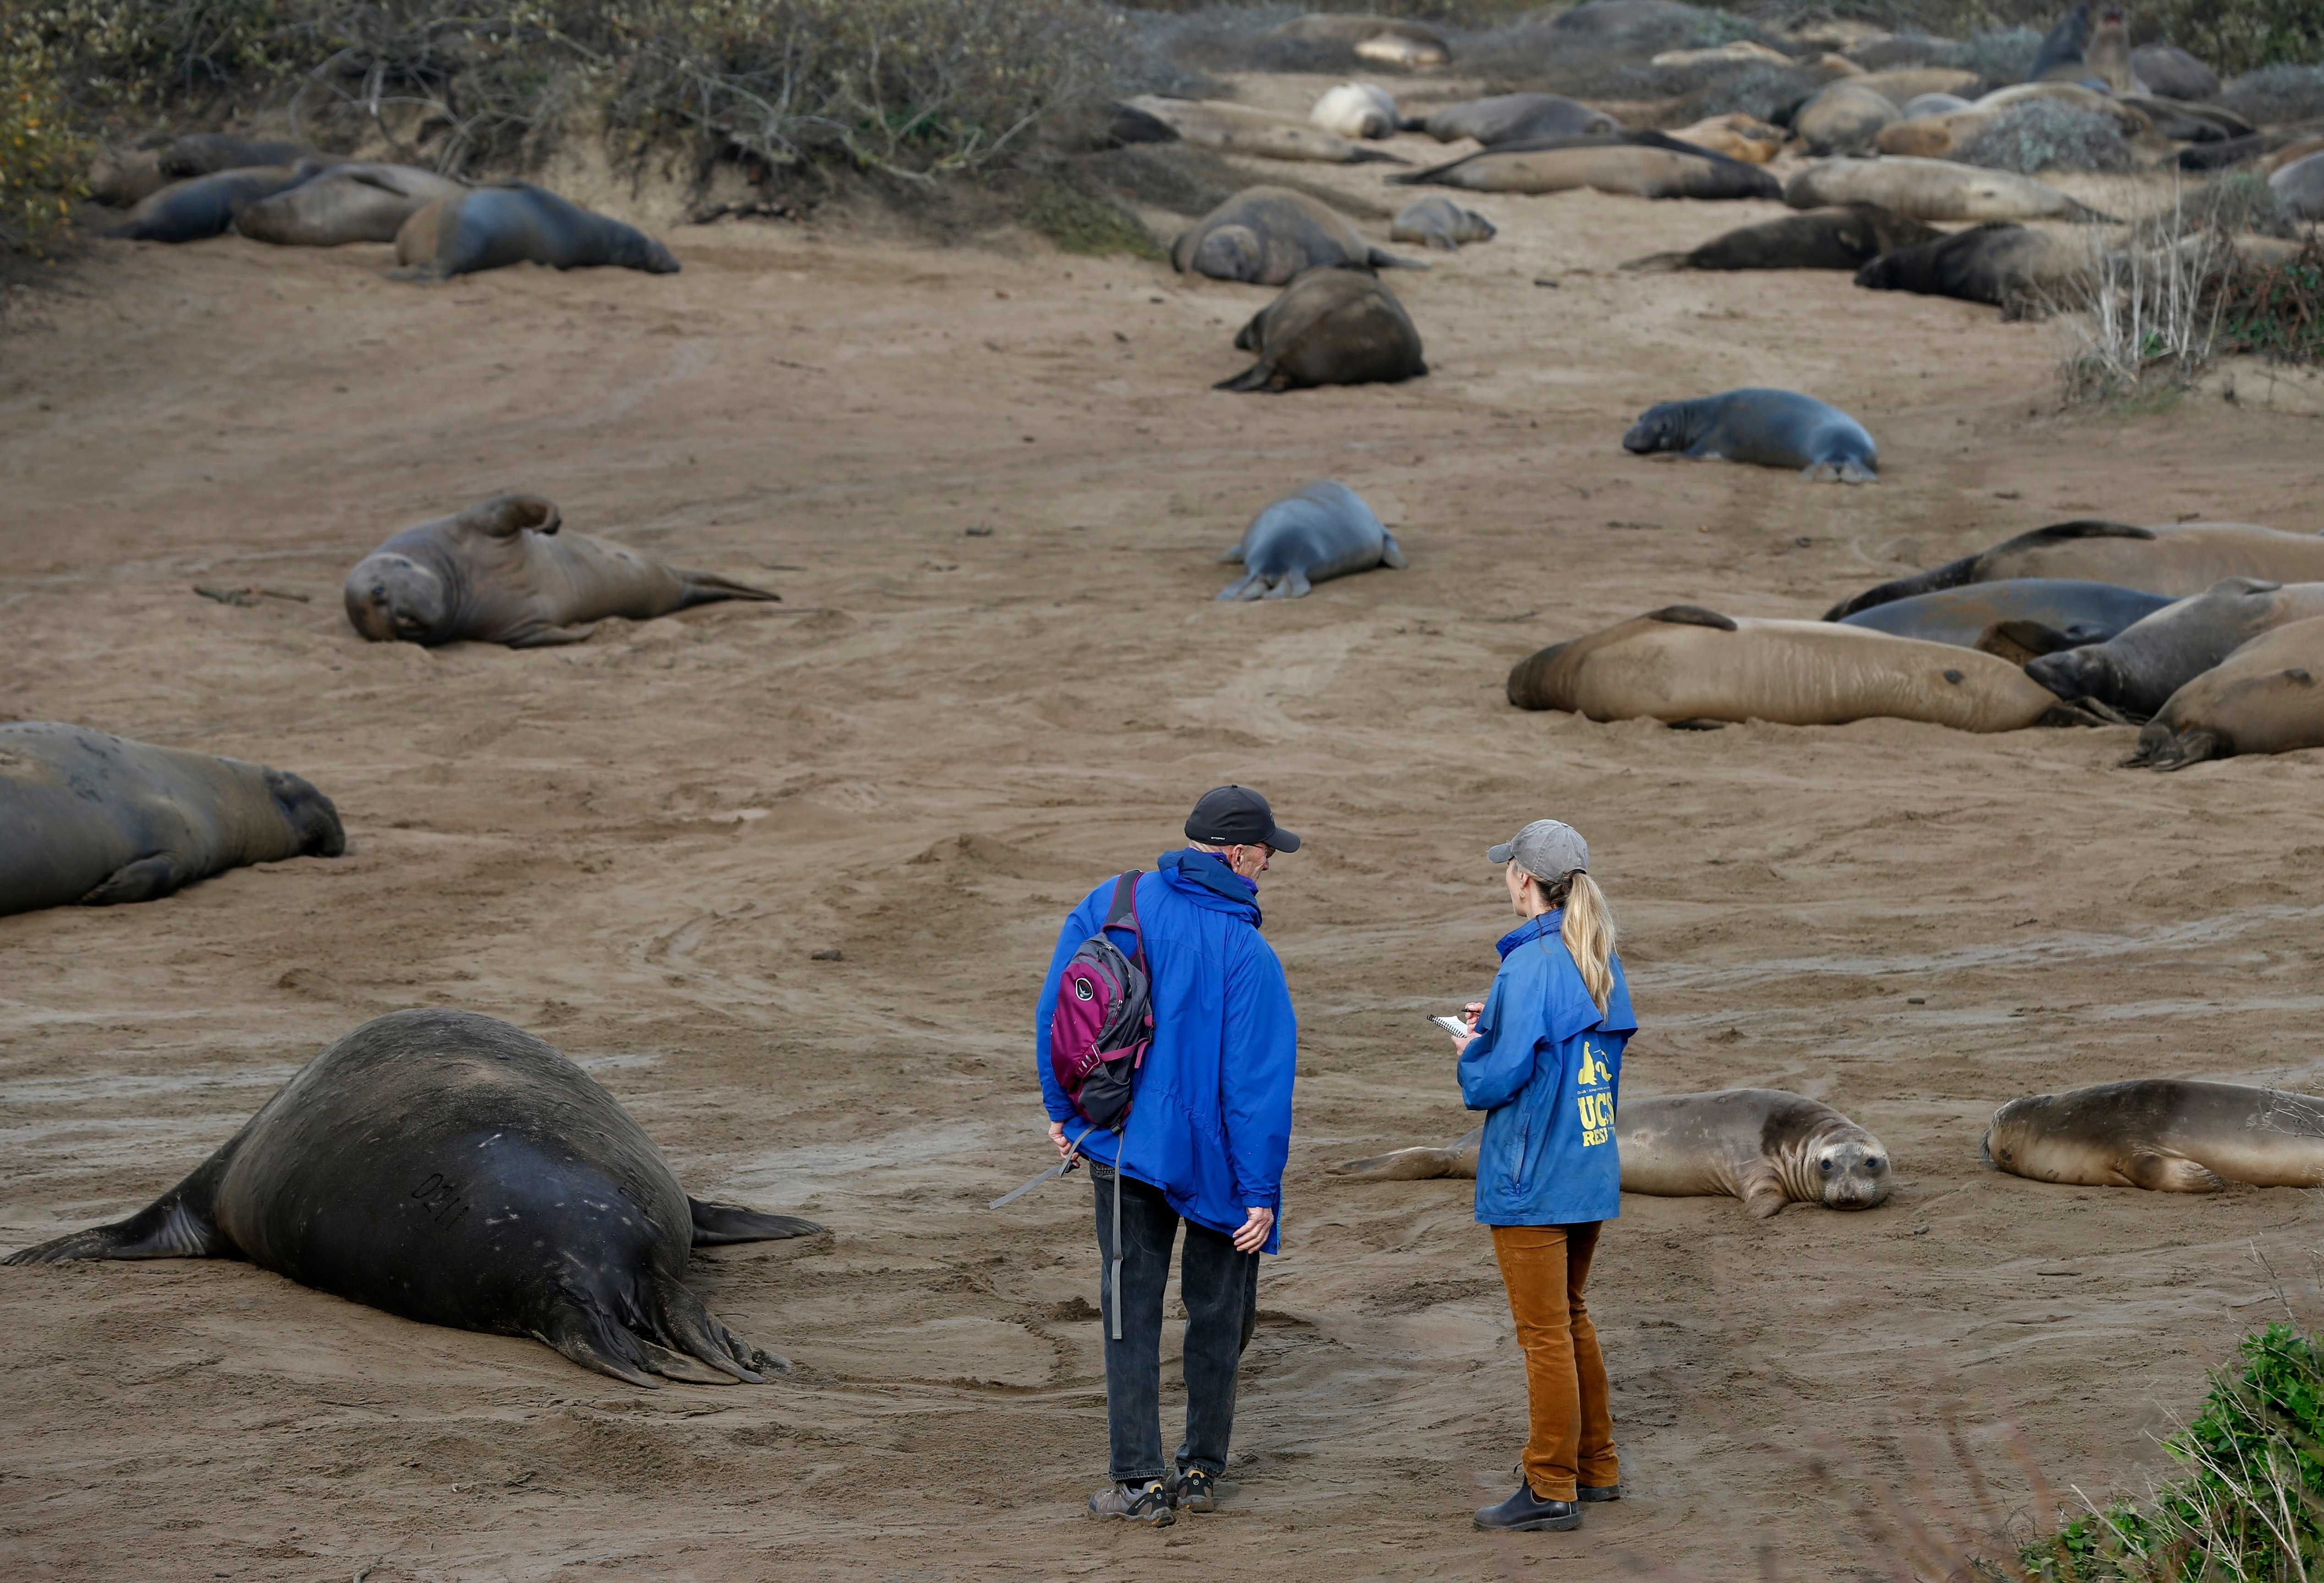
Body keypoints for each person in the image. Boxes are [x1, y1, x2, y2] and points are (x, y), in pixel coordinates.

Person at [1033, 785, 1301, 1526]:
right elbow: (1257, 1089)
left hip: (1121, 1144)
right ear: (1238, 854)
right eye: (1267, 852)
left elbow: (1059, 1009)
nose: (1270, 864)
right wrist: (1260, 1194)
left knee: (1129, 1309)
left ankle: (1136, 1483)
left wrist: (1066, 1114)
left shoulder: (1113, 901)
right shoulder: (1247, 952)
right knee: (1218, 1314)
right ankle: (1199, 1473)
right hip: (1213, 1164)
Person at [1447, 818, 1636, 1534]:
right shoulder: (1596, 954)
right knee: (1571, 1317)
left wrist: (1474, 1044)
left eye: (1508, 868)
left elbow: (1492, 1081)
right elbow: (1565, 1048)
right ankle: (1597, 1466)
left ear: (1523, 879)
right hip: (1587, 1165)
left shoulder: (1528, 964)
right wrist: (1495, 1019)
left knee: (1543, 1334)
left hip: (1533, 1175)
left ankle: (1549, 1485)